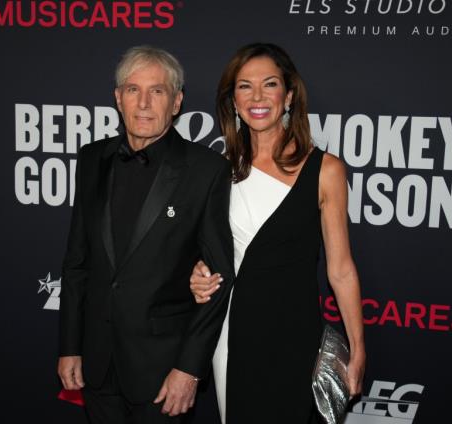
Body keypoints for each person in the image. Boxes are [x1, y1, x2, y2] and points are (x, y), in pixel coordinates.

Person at [57, 45, 235, 424]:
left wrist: (189, 368)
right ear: (118, 98)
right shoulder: (92, 159)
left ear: (176, 102)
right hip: (97, 362)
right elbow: (76, 263)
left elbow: (218, 279)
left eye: (157, 91)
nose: (143, 103)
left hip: (163, 369)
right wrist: (70, 346)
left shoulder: (205, 170)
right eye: (133, 90)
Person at [189, 43, 366, 424]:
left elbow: (341, 269)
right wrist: (199, 275)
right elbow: (211, 253)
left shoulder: (326, 169)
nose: (256, 97)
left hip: (293, 331)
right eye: (244, 86)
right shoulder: (218, 171)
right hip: (232, 330)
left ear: (288, 96)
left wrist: (358, 347)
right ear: (233, 101)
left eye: (269, 85)